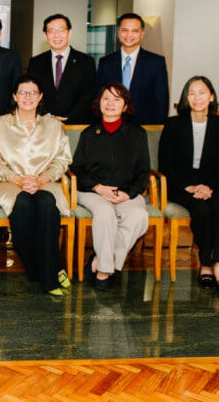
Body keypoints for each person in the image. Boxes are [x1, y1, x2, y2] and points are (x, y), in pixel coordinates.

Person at [0, 74, 73, 296]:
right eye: (22, 92)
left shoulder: (53, 125)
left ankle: (41, 271)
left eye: (33, 92)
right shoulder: (1, 124)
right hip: (8, 182)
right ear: (15, 96)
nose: (27, 97)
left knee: (46, 202)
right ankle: (47, 273)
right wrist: (17, 179)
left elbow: (63, 159)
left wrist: (40, 179)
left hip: (45, 181)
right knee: (22, 203)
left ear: (40, 96)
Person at [71, 83, 150, 290]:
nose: (111, 103)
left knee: (139, 217)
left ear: (125, 106)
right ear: (99, 103)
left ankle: (98, 262)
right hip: (92, 191)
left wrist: (128, 194)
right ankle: (105, 272)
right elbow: (77, 170)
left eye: (117, 99)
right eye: (106, 98)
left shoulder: (138, 134)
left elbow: (143, 173)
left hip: (125, 191)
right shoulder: (89, 134)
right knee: (105, 213)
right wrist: (98, 187)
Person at [159, 76, 219, 294]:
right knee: (201, 209)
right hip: (180, 185)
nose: (197, 97)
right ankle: (205, 263)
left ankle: (218, 263)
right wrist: (188, 187)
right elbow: (165, 163)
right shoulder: (173, 124)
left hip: (212, 183)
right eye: (191, 93)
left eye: (202, 92)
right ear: (185, 98)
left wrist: (209, 187)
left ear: (211, 96)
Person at [95, 12, 169, 125]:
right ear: (118, 32)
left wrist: (156, 130)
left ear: (142, 34)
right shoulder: (106, 62)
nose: (129, 35)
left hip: (144, 127)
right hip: (112, 126)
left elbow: (162, 101)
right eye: (125, 30)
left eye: (134, 31)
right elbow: (99, 96)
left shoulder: (156, 62)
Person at [27, 14, 96, 125]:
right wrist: (48, 118)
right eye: (52, 31)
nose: (57, 35)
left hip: (76, 125)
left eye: (61, 30)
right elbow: (32, 93)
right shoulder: (36, 62)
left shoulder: (86, 62)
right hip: (43, 124)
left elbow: (88, 96)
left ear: (69, 33)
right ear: (45, 35)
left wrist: (67, 118)